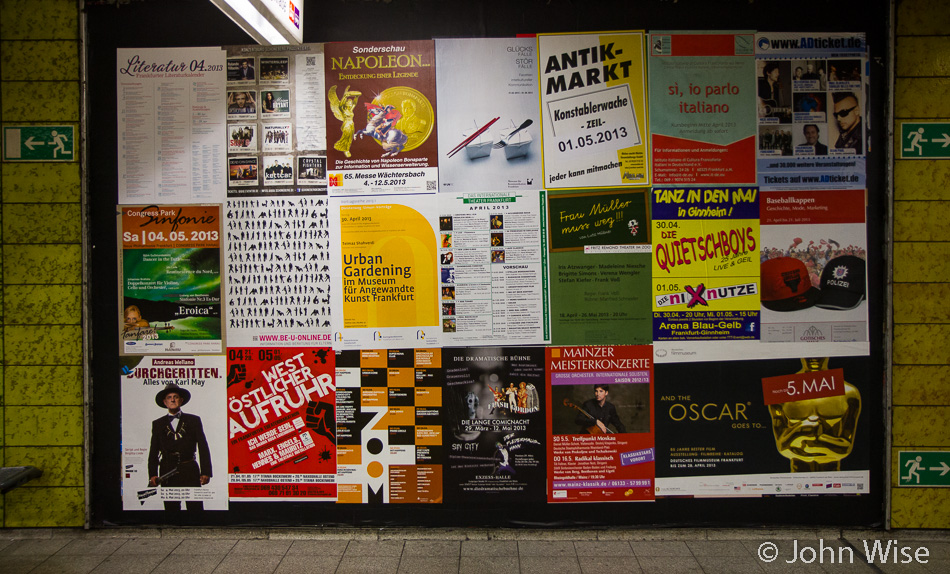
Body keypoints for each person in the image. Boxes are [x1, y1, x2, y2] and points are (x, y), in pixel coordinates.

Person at [148, 383, 212, 511]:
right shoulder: (158, 424)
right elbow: (153, 450)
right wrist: (153, 474)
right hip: (167, 470)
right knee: (171, 510)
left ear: (181, 400)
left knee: (195, 509)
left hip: (189, 469)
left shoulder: (194, 420)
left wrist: (206, 472)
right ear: (165, 402)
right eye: (169, 397)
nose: (172, 399)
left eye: (176, 397)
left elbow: (203, 446)